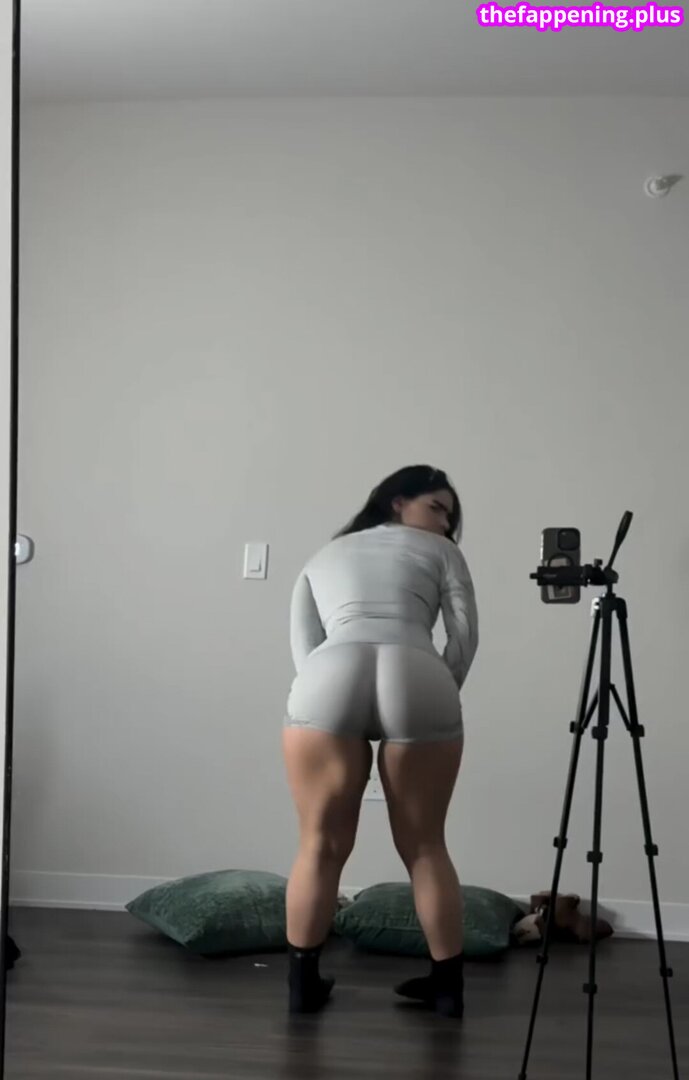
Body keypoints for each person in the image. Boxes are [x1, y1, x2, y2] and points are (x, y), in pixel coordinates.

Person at [283, 465, 479, 1017]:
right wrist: (439, 689)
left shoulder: (326, 554)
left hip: (328, 675)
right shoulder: (443, 553)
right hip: (416, 669)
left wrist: (321, 700)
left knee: (318, 844)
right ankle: (447, 989)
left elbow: (304, 646)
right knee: (426, 845)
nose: (445, 523)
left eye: (450, 516)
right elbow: (463, 636)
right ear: (397, 502)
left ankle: (302, 985)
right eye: (437, 507)